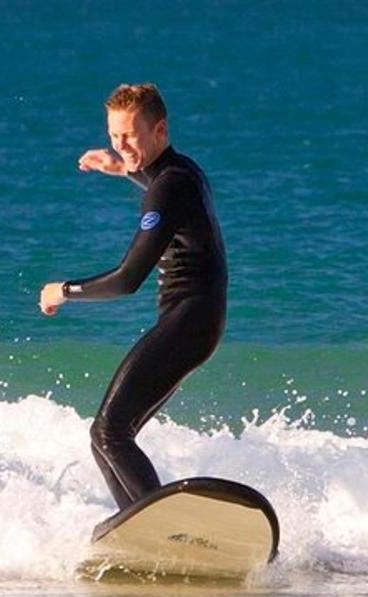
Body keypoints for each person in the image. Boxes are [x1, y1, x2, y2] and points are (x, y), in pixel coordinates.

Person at [38, 83, 227, 512]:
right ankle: (138, 526)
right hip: (195, 321)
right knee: (105, 435)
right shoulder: (182, 171)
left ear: (159, 129)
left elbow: (127, 279)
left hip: (190, 320)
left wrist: (65, 291)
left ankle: (166, 531)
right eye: (113, 136)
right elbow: (155, 176)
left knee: (110, 432)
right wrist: (118, 167)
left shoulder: (168, 187)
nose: (120, 145)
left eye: (130, 136)